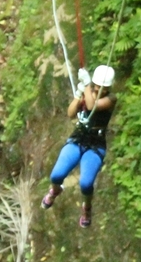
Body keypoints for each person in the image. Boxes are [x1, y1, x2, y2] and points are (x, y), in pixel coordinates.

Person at [41, 65, 116, 228]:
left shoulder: (111, 99)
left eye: (103, 87)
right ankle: (55, 190)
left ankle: (87, 208)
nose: (99, 89)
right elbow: (70, 114)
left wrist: (87, 85)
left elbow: (91, 106)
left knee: (86, 184)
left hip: (96, 145)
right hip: (78, 139)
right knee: (56, 176)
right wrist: (78, 95)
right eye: (97, 86)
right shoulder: (86, 93)